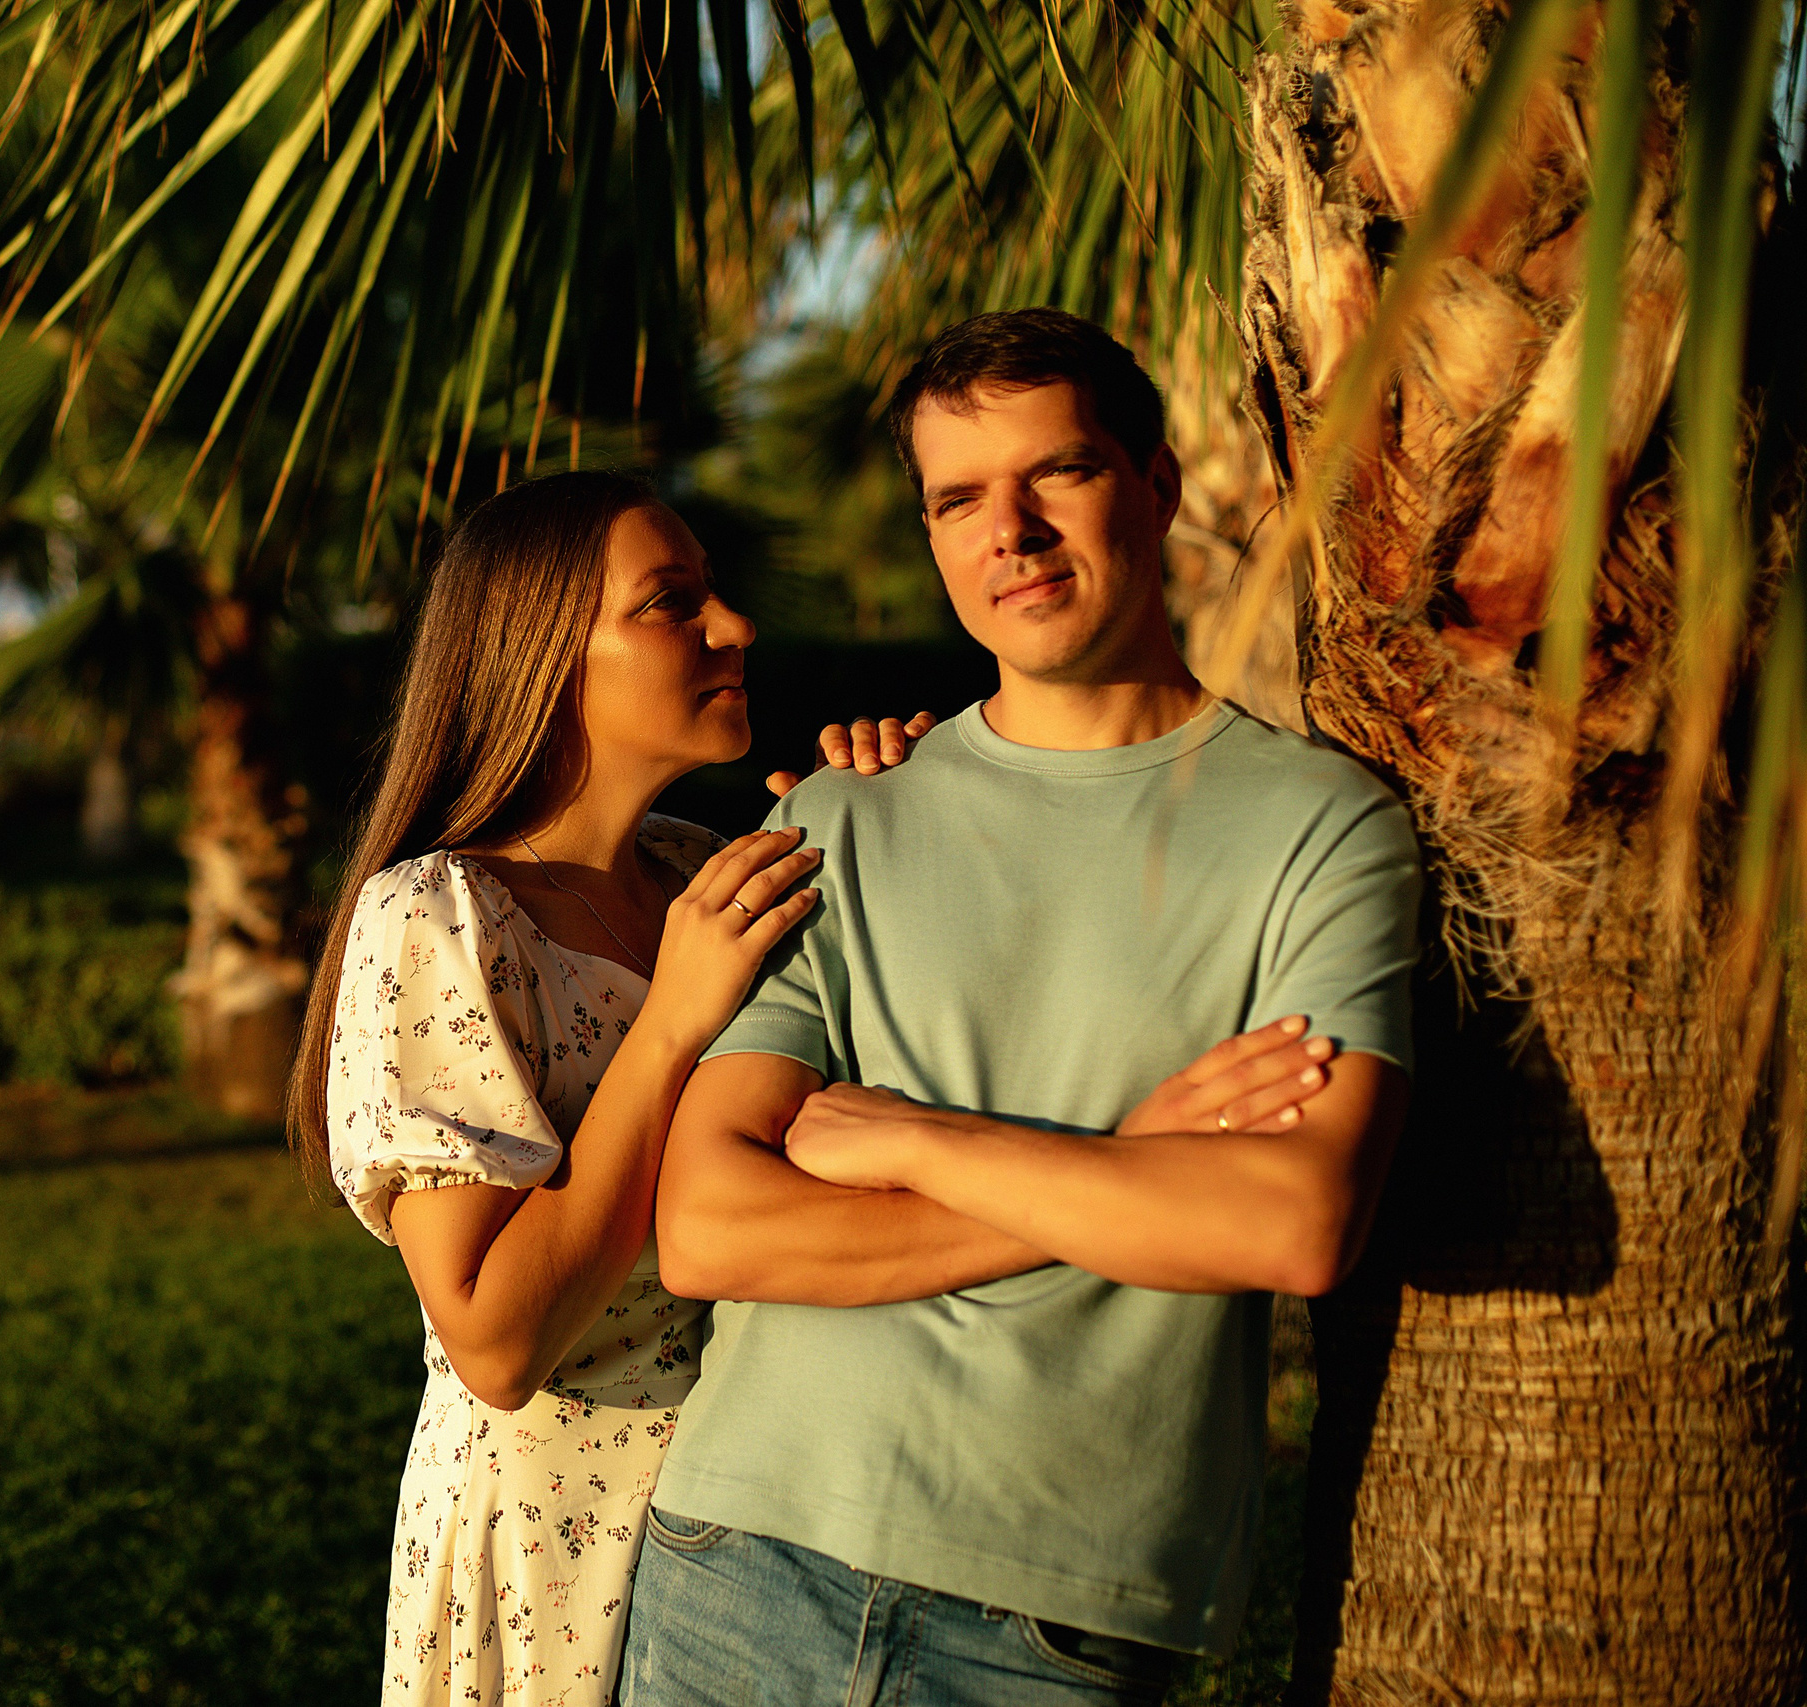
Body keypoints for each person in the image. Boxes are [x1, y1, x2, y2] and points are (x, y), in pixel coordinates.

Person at [290, 467, 1342, 1707]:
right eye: (670, 604)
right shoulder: (440, 915)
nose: (732, 627)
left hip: (767, 1533)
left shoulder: (716, 872)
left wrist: (901, 799)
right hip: (555, 1563)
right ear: (540, 653)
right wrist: (674, 1016)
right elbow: (495, 1337)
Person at [617, 308, 1423, 1706]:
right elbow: (710, 1223)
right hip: (742, 1555)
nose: (1013, 530)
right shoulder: (838, 818)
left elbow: (1291, 1222)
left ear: (1157, 484)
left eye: (1059, 473)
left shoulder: (1323, 825)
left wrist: (915, 1138)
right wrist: (1133, 1161)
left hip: (1057, 1617)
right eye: (958, 498)